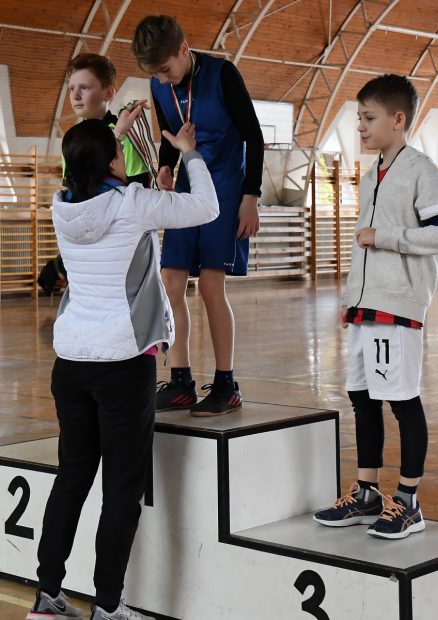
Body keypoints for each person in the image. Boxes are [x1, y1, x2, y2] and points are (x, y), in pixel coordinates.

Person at [26, 118, 218, 620]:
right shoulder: (134, 203)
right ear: (112, 161)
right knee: (121, 490)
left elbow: (105, 190)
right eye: (117, 150)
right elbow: (206, 206)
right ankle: (109, 608)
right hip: (123, 363)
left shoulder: (62, 206)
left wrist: (125, 143)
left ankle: (47, 597)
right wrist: (189, 152)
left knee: (72, 478)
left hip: (71, 362)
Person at [313, 74, 438, 540]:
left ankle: (409, 502)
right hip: (365, 306)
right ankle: (367, 493)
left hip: (398, 309)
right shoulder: (372, 171)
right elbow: (362, 243)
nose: (360, 126)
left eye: (368, 118)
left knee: (402, 401)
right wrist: (350, 298)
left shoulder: (419, 169)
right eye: (358, 118)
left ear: (398, 119)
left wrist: (387, 237)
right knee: (361, 398)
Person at [132, 15, 264, 416]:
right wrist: (166, 166)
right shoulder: (159, 84)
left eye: (166, 69)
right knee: (170, 281)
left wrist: (251, 196)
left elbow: (254, 135)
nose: (163, 78)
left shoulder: (223, 74)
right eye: (155, 73)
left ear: (184, 49)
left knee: (210, 285)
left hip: (226, 188)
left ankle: (226, 384)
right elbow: (170, 136)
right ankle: (181, 381)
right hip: (188, 190)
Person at [66, 53, 151, 186]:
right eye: (71, 88)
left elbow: (140, 189)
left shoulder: (126, 136)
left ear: (109, 93)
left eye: (84, 87)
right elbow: (71, 187)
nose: (75, 96)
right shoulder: (71, 138)